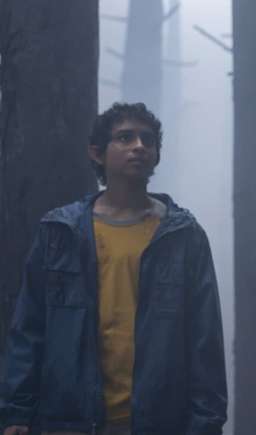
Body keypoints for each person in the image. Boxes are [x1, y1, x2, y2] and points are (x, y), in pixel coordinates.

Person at [1, 102, 227, 435]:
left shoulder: (183, 235)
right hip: (70, 420)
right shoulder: (60, 232)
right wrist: (17, 413)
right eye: (125, 137)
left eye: (147, 139)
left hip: (160, 422)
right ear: (97, 153)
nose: (139, 146)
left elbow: (204, 338)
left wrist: (206, 424)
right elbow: (29, 328)